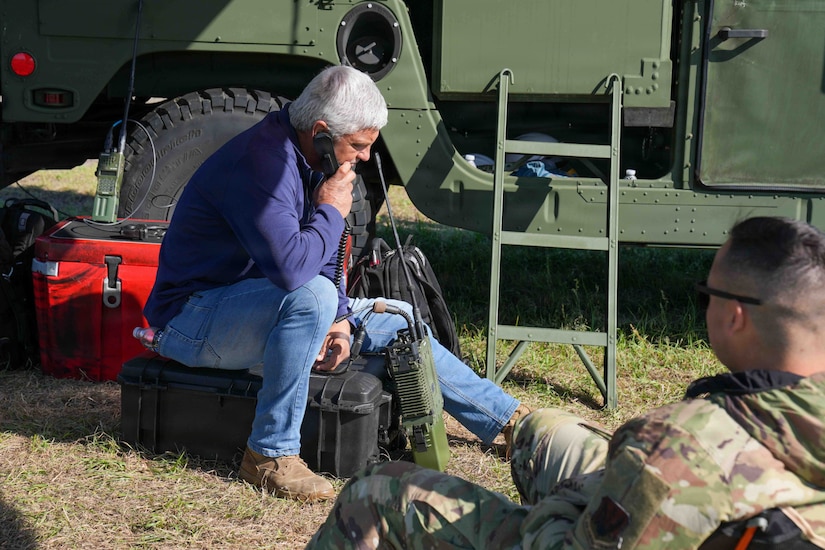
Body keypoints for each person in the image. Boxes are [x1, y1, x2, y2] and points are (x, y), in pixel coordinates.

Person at [307, 216, 825, 548]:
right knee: (542, 432)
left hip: (611, 520)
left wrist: (570, 502)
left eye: (704, 293)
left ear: (735, 316)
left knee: (378, 492)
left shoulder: (682, 448)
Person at [143, 65, 529, 503]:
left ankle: (510, 422)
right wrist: (331, 211)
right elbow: (293, 271)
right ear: (322, 131)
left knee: (398, 318)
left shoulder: (308, 154)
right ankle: (269, 454)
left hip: (254, 303)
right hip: (192, 319)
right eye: (359, 145)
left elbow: (322, 255)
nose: (365, 156)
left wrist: (342, 320)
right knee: (313, 296)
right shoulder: (261, 165)